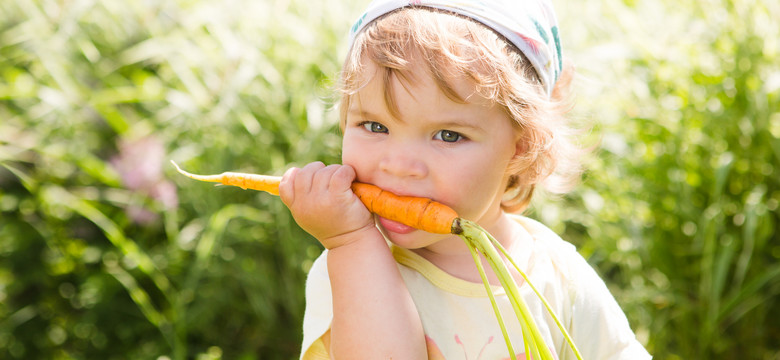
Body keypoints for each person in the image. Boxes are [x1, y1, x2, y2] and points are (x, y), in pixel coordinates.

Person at [279, 1, 652, 359]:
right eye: (375, 126)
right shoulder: (351, 268)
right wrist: (351, 242)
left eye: (448, 135)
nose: (399, 166)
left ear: (521, 147)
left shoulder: (558, 275)